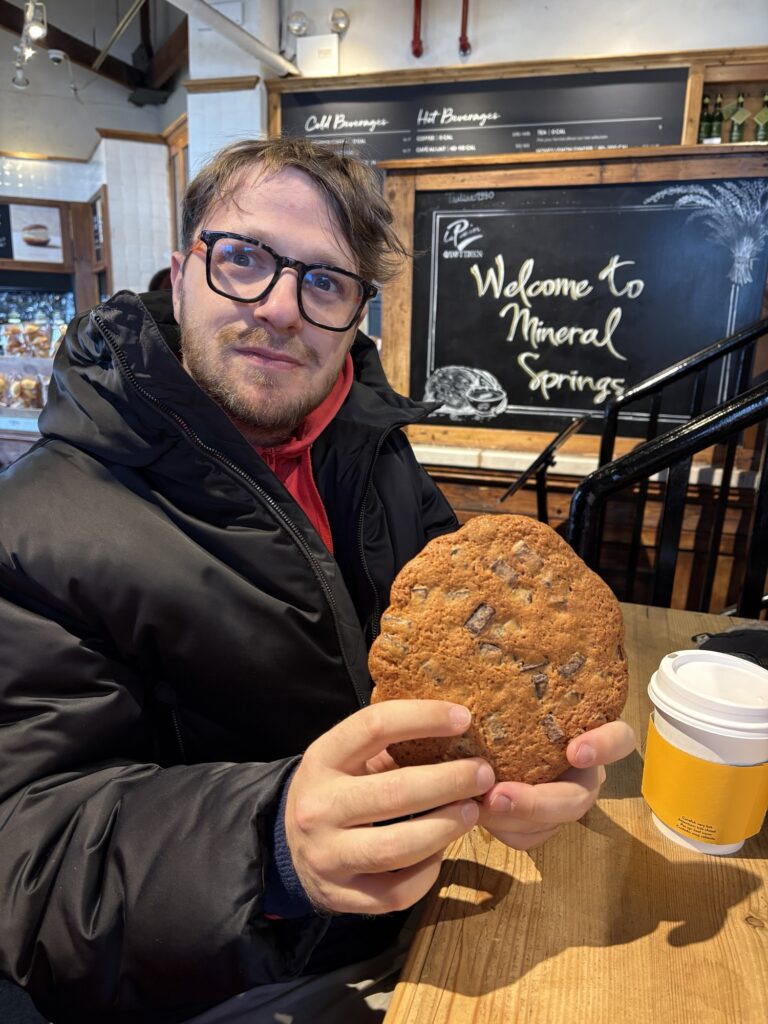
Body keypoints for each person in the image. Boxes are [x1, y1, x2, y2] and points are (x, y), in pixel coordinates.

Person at [0, 137, 635, 1024]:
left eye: (324, 281)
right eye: (243, 258)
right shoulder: (34, 529)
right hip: (219, 981)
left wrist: (518, 784)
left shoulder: (374, 453)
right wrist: (269, 849)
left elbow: (470, 675)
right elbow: (24, 862)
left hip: (432, 907)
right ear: (181, 275)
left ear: (356, 314)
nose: (279, 307)